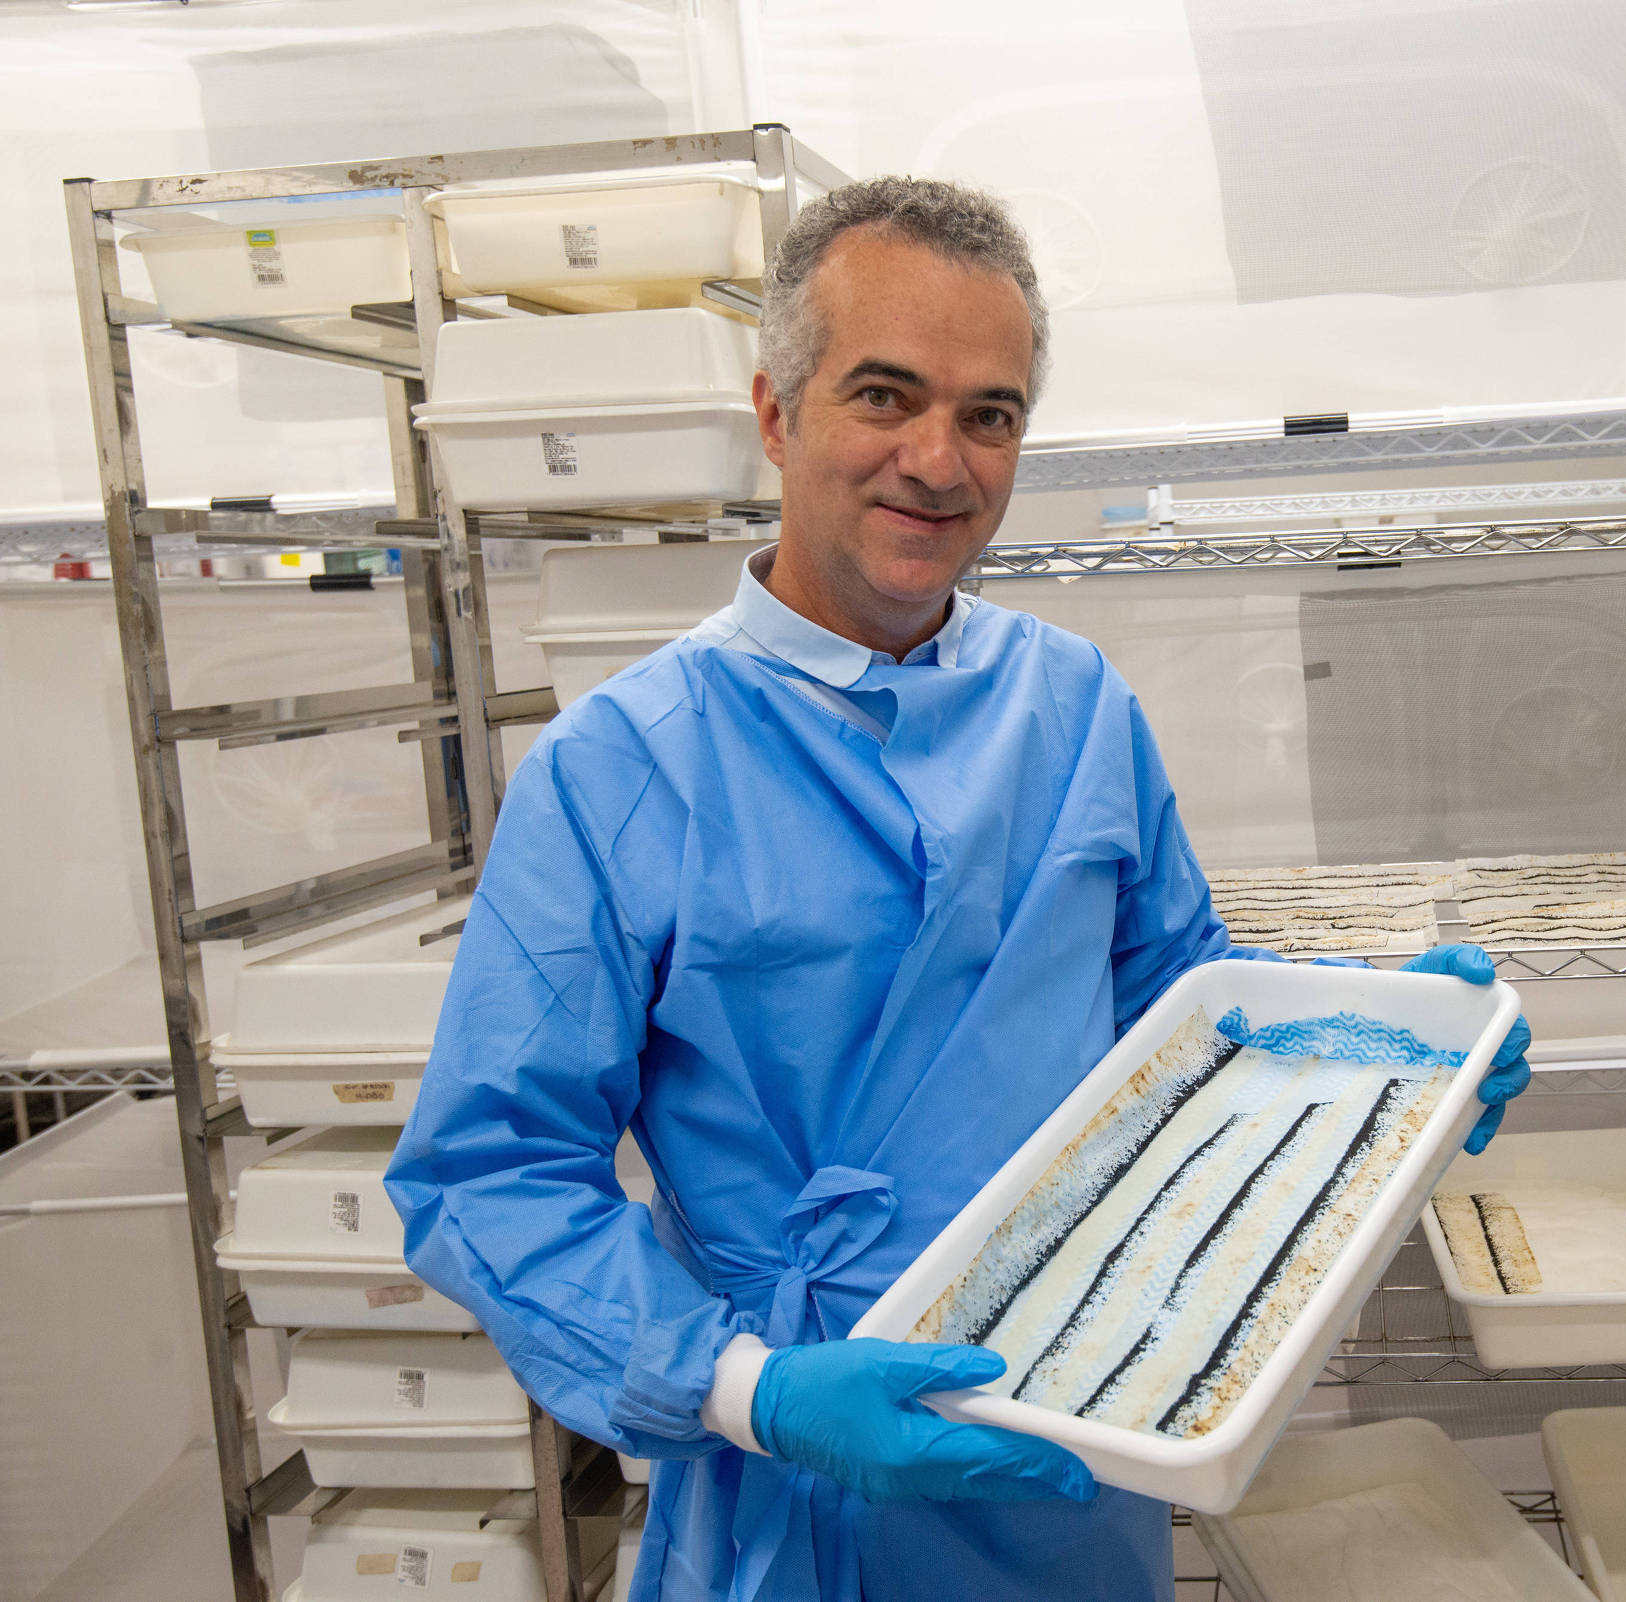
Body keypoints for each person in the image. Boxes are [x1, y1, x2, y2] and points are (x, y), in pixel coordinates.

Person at [386, 177, 1532, 1602]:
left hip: (1072, 1438)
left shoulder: (1073, 705)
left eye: (989, 414)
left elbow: (1188, 1033)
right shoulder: (622, 768)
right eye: (885, 395)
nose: (938, 458)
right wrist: (753, 1387)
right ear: (775, 412)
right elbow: (489, 1174)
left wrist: (1378, 1053)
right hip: (790, 1473)